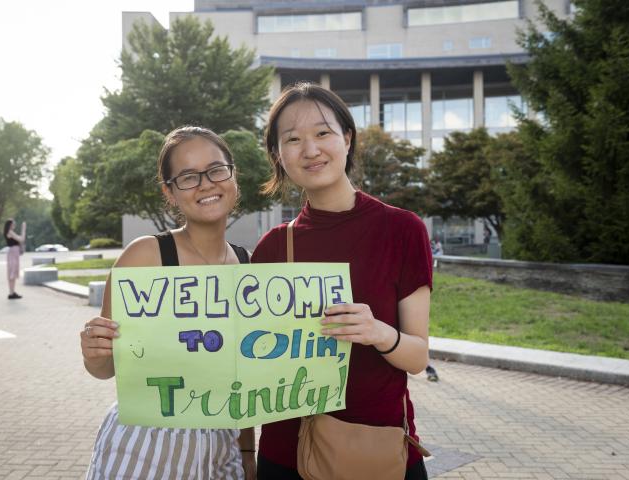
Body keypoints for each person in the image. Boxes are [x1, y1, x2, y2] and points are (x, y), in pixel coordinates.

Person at [252, 83, 432, 480]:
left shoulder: (402, 230)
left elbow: (418, 358)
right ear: (279, 155)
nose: (310, 150)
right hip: (285, 454)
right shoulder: (272, 247)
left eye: (322, 133)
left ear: (347, 138)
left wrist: (378, 332)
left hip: (375, 449)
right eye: (293, 139)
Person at [80, 126, 255, 480]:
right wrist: (93, 352)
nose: (206, 184)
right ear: (170, 192)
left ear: (233, 177)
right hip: (148, 441)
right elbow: (105, 369)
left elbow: (245, 379)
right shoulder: (145, 256)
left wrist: (247, 449)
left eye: (216, 169)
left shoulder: (247, 264)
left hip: (224, 445)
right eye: (188, 177)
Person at [3, 218, 26, 299]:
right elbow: (22, 239)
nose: (14, 226)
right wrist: (23, 229)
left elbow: (20, 240)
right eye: (13, 224)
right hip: (13, 252)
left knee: (11, 273)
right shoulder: (10, 232)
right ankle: (11, 293)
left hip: (13, 252)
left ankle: (12, 292)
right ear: (9, 225)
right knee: (12, 273)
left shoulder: (10, 232)